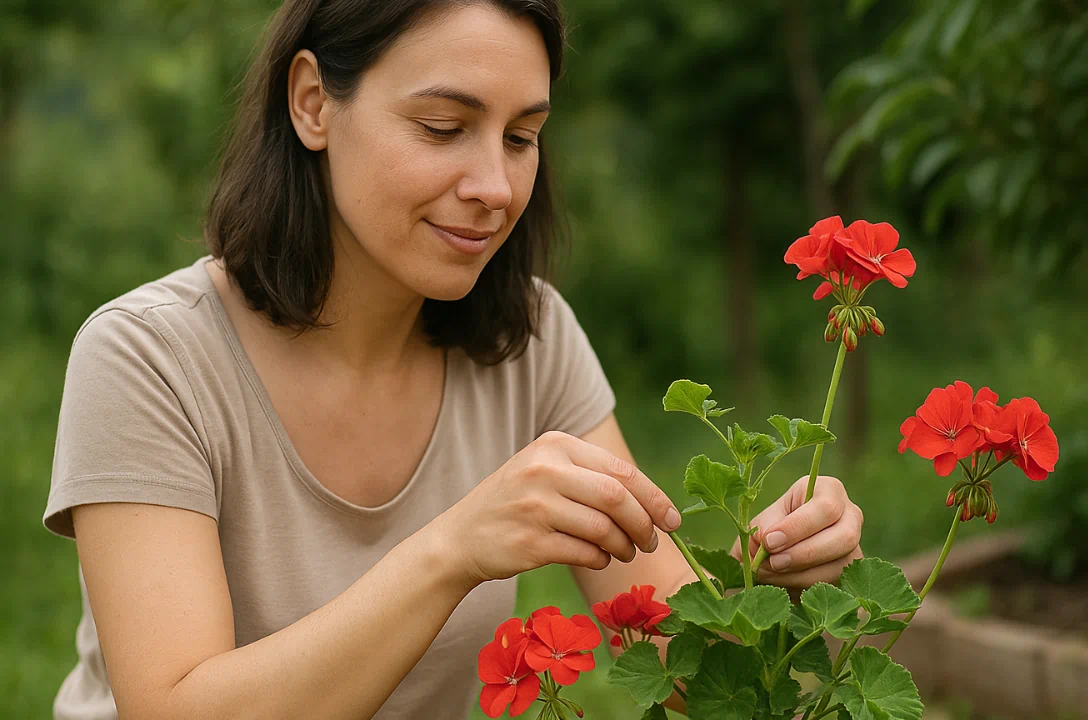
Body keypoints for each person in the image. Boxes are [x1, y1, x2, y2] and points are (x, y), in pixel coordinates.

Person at [40, 1, 866, 718]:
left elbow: (683, 668)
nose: (496, 186)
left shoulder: (531, 337)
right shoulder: (149, 357)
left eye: (522, 137)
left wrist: (791, 587)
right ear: (312, 103)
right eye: (444, 128)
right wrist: (452, 550)